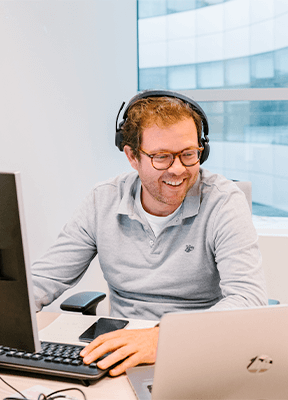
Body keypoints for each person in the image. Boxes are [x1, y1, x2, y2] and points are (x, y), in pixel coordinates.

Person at [32, 90, 267, 377]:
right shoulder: (102, 201)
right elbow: (42, 280)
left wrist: (164, 338)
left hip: (198, 350)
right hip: (123, 349)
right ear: (132, 156)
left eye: (188, 154)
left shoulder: (223, 202)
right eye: (162, 157)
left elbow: (249, 300)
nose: (178, 169)